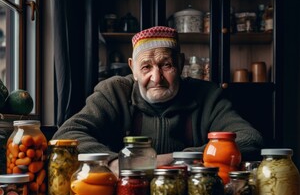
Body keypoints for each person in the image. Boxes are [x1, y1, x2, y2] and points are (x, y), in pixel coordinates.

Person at [52, 26, 264, 174]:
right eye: (146, 67)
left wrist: (178, 158)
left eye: (166, 65)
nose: (156, 78)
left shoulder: (208, 95)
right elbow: (67, 134)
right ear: (132, 68)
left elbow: (249, 139)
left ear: (180, 64)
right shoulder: (114, 91)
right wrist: (114, 161)